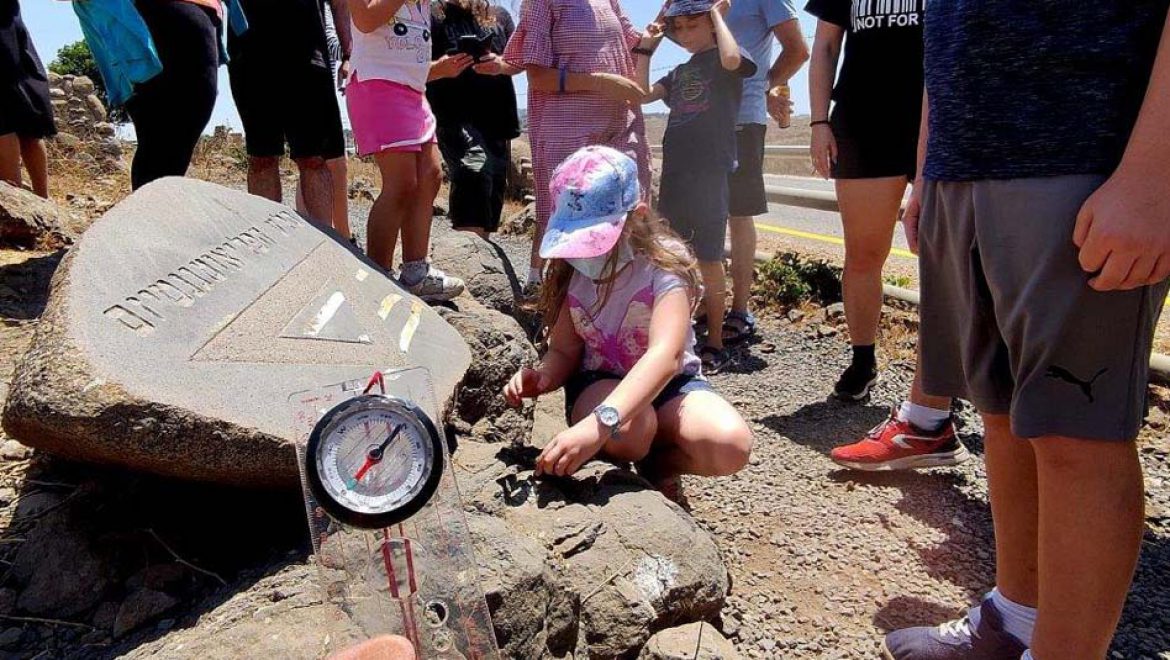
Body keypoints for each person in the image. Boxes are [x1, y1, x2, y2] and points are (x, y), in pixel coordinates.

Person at [883, 2, 1170, 659]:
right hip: (966, 159)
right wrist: (928, 168)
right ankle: (1014, 623)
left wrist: (1158, 171)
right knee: (1002, 409)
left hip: (1088, 150)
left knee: (1079, 434)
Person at [503, 146, 753, 496]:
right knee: (632, 431)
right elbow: (563, 349)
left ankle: (658, 467)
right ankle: (624, 461)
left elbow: (666, 357)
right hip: (599, 381)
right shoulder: (572, 271)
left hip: (668, 386)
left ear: (636, 216)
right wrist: (542, 377)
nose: (585, 253)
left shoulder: (664, 266)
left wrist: (598, 425)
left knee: (730, 445)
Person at [805, 0, 967, 471]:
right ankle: (863, 359)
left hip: (940, 113)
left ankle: (944, 387)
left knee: (948, 257)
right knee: (864, 253)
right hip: (863, 117)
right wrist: (819, 122)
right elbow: (825, 45)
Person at [634, 0, 755, 373]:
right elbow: (640, 94)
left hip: (710, 172)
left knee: (709, 257)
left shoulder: (726, 59)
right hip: (676, 174)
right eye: (679, 28)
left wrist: (718, 16)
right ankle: (675, 335)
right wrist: (645, 48)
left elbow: (734, 60)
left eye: (693, 25)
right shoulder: (680, 71)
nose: (685, 35)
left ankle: (715, 341)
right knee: (671, 256)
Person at [500, 0, 652, 295]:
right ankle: (554, 307)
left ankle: (618, 303)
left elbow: (637, 42)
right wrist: (599, 83)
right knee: (570, 221)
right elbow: (538, 76)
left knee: (624, 215)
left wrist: (668, 16)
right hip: (568, 131)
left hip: (619, 124)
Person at [347, 0, 465, 302]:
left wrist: (438, 70)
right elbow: (365, 19)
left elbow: (402, 51)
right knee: (401, 184)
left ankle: (416, 272)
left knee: (431, 175)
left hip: (412, 90)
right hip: (378, 86)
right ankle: (377, 276)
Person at [720, 0, 806, 346]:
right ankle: (704, 304)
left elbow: (798, 50)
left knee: (738, 214)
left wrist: (766, 83)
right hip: (699, 115)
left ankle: (739, 310)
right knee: (702, 214)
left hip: (742, 117)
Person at [228, 0, 347, 227]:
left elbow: (340, 3)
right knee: (261, 157)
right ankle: (264, 242)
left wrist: (349, 53)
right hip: (250, 54)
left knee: (314, 158)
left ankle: (324, 247)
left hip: (308, 53)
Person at [427, 0, 519, 239]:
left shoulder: (500, 16)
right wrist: (441, 68)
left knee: (493, 191)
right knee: (474, 172)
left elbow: (518, 61)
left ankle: (480, 262)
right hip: (453, 118)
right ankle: (467, 256)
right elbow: (413, 66)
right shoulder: (432, 15)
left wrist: (500, 65)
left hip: (497, 118)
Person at [0, 0, 56, 198]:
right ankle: (44, 206)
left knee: (4, 125)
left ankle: (15, 212)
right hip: (13, 33)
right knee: (27, 125)